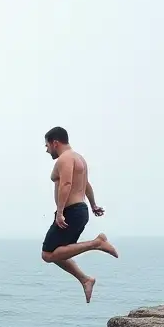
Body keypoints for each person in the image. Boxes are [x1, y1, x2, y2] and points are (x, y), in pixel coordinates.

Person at [41, 126, 118, 303]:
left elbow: (66, 184)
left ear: (55, 142)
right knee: (58, 253)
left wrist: (60, 213)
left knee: (47, 254)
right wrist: (93, 205)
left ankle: (97, 243)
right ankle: (85, 279)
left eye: (47, 146)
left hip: (71, 212)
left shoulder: (65, 159)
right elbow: (86, 184)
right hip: (79, 210)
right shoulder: (79, 158)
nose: (46, 150)